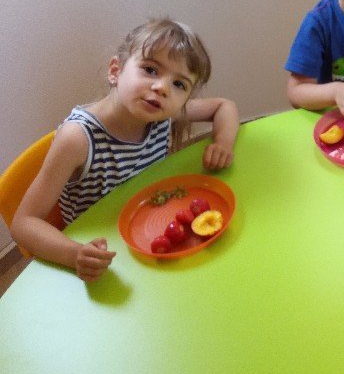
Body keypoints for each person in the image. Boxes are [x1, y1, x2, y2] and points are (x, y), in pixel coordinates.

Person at [12, 18, 239, 282]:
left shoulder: (163, 114)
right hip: (103, 253)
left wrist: (222, 142)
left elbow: (224, 106)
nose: (162, 88)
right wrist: (75, 254)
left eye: (179, 84)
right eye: (150, 69)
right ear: (115, 71)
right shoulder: (77, 139)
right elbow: (23, 223)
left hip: (149, 231)